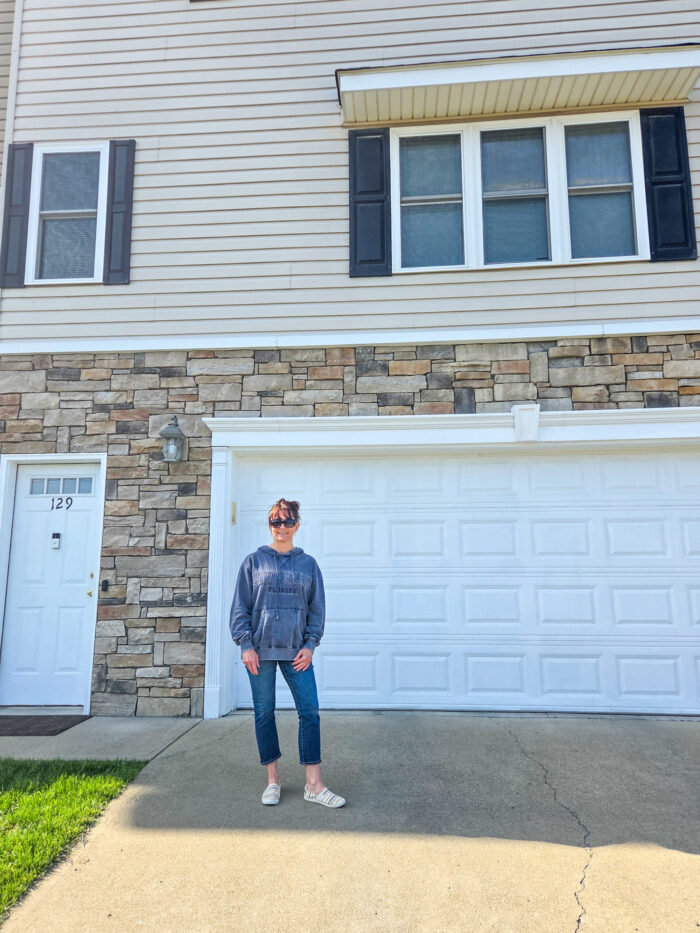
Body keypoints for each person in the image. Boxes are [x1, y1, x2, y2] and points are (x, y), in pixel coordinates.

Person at [229, 497, 345, 808]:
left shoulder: (308, 565)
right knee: (264, 713)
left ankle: (314, 784)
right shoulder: (253, 562)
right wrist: (246, 646)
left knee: (310, 712)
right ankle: (273, 781)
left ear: (297, 525)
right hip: (260, 652)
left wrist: (310, 645)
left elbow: (316, 610)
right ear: (269, 525)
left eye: (288, 522)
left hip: (298, 653)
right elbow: (240, 608)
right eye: (276, 522)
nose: (282, 527)